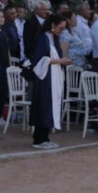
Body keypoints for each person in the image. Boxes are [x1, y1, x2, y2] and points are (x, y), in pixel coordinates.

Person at [30, 14, 71, 149]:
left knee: (50, 106)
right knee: (44, 106)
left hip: (54, 77)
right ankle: (39, 138)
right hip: (45, 78)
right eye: (60, 27)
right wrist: (60, 61)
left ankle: (45, 137)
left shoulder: (53, 38)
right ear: (53, 25)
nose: (62, 30)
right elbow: (39, 60)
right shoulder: (43, 38)